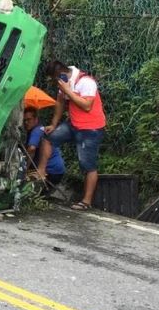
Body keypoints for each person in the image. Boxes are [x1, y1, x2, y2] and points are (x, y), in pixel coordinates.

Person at [35, 59, 106, 210]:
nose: (55, 83)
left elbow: (87, 106)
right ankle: (41, 171)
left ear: (60, 75)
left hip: (90, 128)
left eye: (54, 79)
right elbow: (60, 102)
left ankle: (86, 202)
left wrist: (68, 91)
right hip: (74, 124)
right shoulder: (64, 82)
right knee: (48, 137)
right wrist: (54, 124)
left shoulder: (86, 82)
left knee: (87, 165)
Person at [23, 106, 65, 189]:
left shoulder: (36, 131)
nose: (26, 122)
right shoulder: (40, 128)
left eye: (29, 119)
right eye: (24, 120)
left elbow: (32, 149)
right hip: (58, 170)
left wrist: (24, 170)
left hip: (50, 171)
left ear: (36, 119)